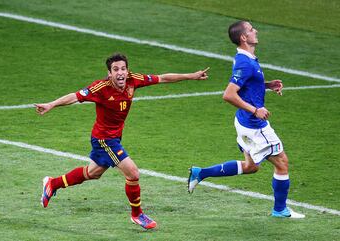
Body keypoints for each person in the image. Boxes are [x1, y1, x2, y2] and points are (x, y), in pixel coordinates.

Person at [36, 53, 209, 229]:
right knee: (133, 173)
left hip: (114, 137)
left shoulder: (133, 80)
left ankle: (53, 183)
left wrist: (192, 76)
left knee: (93, 173)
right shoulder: (100, 88)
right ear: (109, 73)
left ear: (128, 71)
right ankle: (137, 215)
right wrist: (51, 104)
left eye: (123, 69)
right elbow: (74, 96)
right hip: (104, 140)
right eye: (116, 69)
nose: (120, 73)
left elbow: (163, 78)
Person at [187, 21, 305, 219]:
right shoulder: (244, 62)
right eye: (251, 30)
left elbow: (246, 85)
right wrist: (255, 110)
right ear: (243, 37)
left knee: (251, 166)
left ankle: (201, 173)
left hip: (243, 122)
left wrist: (266, 85)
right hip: (254, 125)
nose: (255, 31)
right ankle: (280, 210)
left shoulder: (247, 58)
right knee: (282, 163)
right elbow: (229, 94)